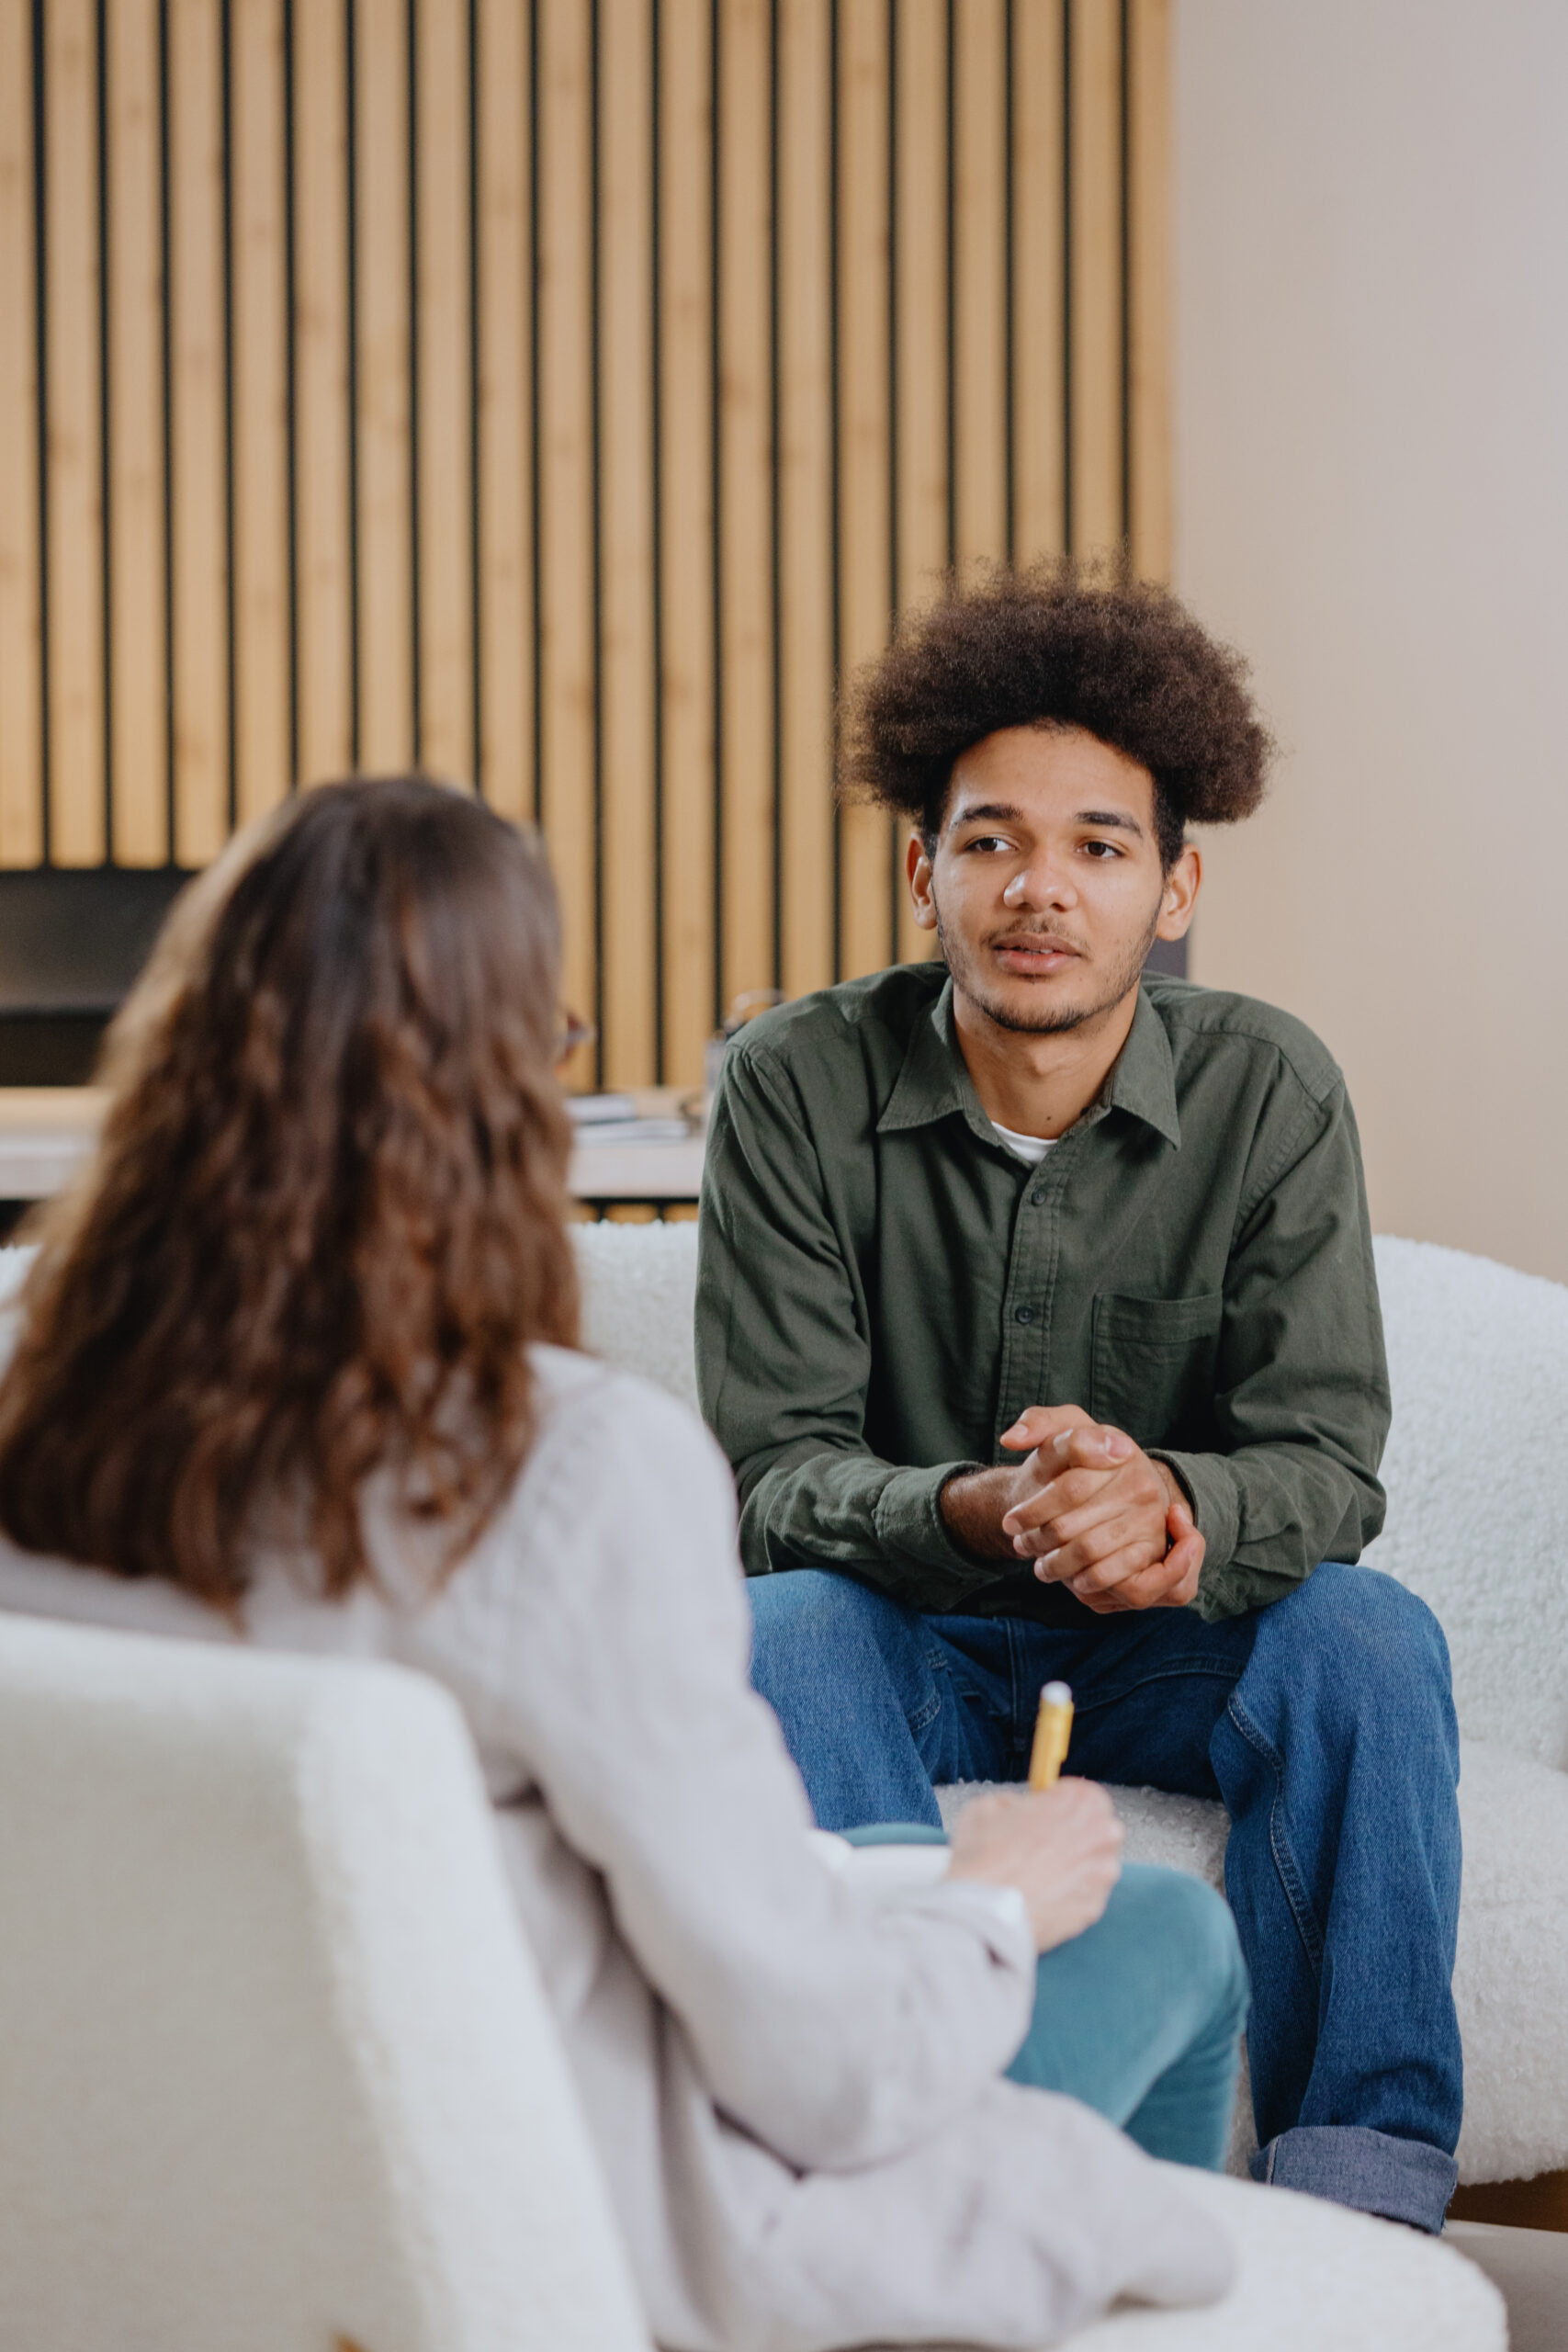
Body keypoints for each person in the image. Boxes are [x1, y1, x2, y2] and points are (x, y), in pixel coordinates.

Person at [0, 777, 1245, 2352]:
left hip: (175, 2223)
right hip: (581, 2230)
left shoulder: (29, 1409)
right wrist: (987, 1905)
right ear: (503, 1096)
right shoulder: (558, 1473)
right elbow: (817, 2071)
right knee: (1169, 1935)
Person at [696, 565, 1464, 2238]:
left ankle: (1358, 2221)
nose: (1041, 889)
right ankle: (919, 2133)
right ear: (924, 870)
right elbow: (777, 1480)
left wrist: (1176, 1511)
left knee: (1371, 1640)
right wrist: (971, 1506)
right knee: (783, 1628)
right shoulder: (791, 1082)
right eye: (991, 841)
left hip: (1160, 1650)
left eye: (1099, 847)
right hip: (908, 1635)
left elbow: (1326, 1463)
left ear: (1173, 883)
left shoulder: (1272, 1088)